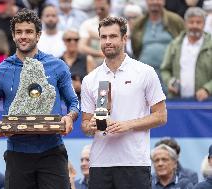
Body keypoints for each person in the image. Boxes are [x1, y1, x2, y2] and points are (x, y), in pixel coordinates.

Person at [0, 8, 79, 189]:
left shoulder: (58, 66)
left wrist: (69, 117)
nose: (23, 36)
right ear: (13, 35)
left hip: (52, 152)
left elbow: (74, 103)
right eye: (18, 32)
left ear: (38, 35)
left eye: (28, 31)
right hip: (17, 153)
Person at [81, 16, 167, 189]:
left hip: (134, 162)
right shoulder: (90, 79)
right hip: (99, 164)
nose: (107, 41)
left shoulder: (145, 72)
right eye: (103, 37)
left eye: (112, 36)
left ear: (124, 38)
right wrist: (89, 126)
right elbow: (85, 124)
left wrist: (128, 125)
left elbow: (161, 116)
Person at [160, 7, 212, 101]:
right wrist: (170, 82)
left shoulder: (210, 44)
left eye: (198, 22)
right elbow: (165, 69)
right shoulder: (175, 44)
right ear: (185, 24)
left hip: (206, 103)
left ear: (204, 24)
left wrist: (207, 89)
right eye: (191, 22)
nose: (194, 25)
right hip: (179, 101)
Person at [131, 0, 184, 77]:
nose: (155, 2)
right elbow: (135, 49)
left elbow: (185, 42)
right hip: (145, 75)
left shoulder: (175, 20)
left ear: (164, 1)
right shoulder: (139, 23)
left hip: (168, 75)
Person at [60, 29, 95, 99]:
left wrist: (81, 87)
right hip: (63, 102)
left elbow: (94, 86)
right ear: (64, 41)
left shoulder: (87, 59)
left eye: (76, 39)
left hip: (83, 101)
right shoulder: (58, 62)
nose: (72, 42)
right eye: (69, 39)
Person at [79, 0, 111, 66]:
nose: (99, 11)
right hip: (93, 63)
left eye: (102, 8)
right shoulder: (87, 24)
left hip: (113, 61)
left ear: (109, 6)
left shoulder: (119, 22)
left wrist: (96, 36)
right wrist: (100, 54)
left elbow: (120, 43)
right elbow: (81, 47)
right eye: (96, 8)